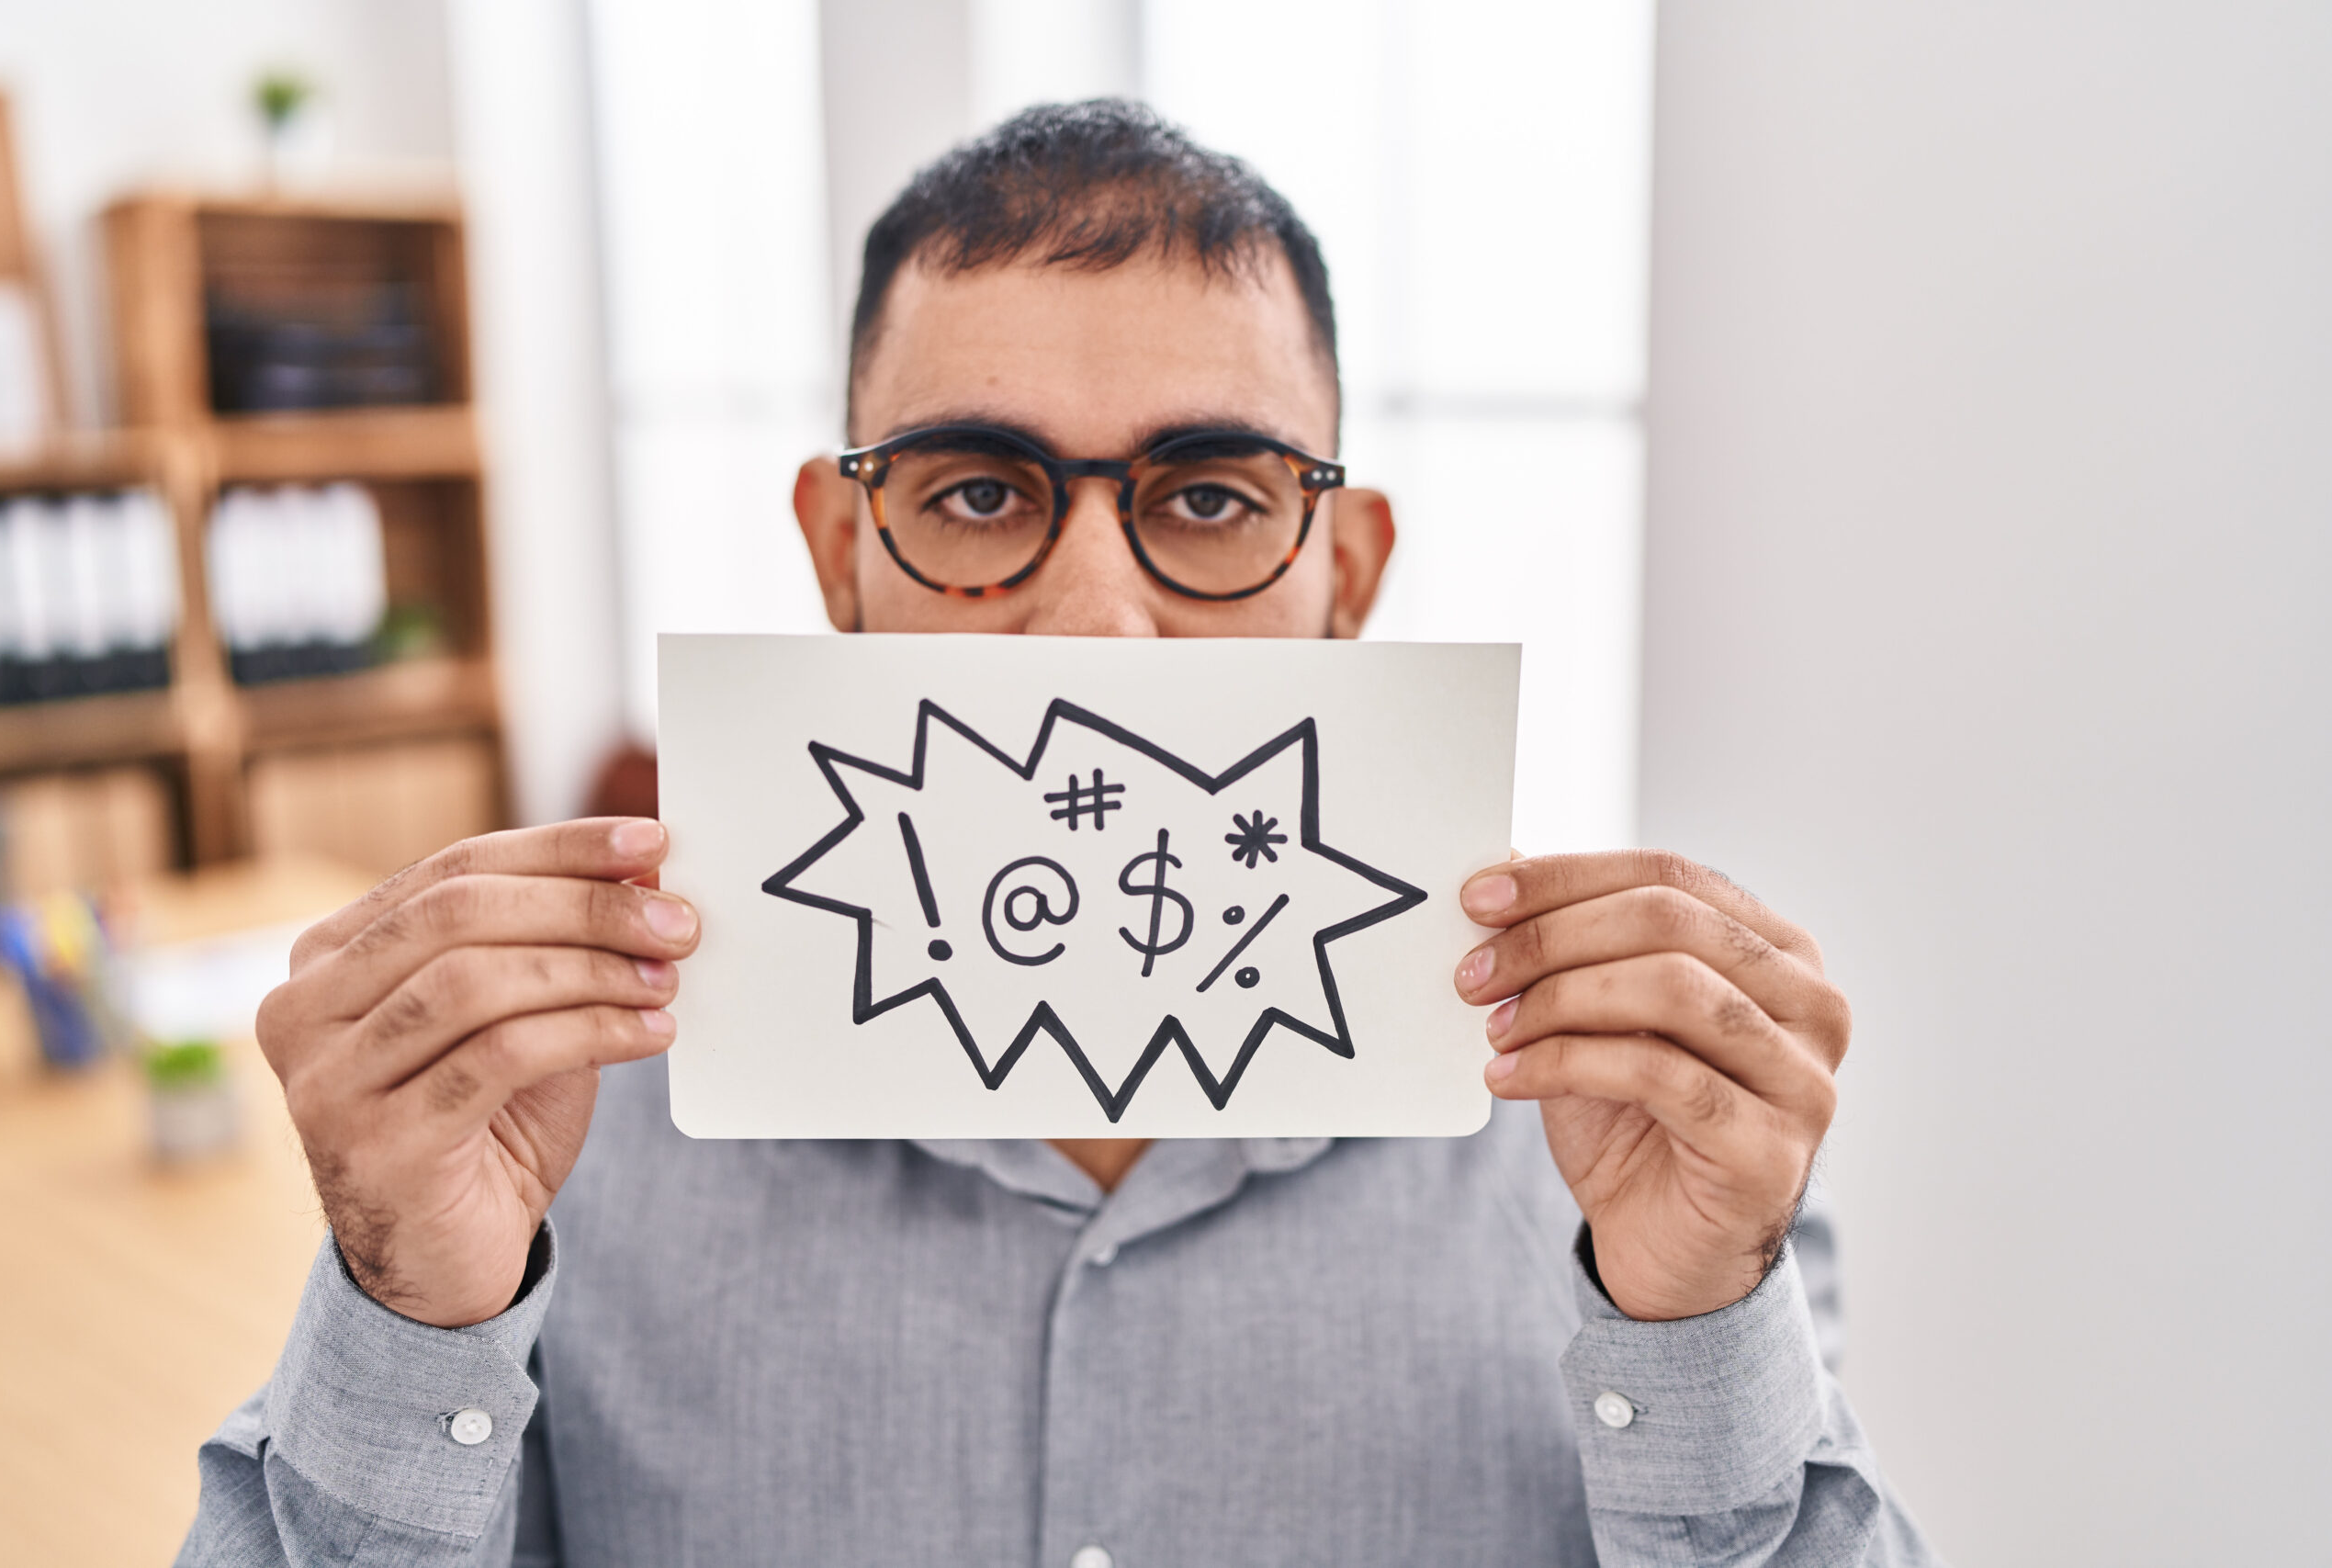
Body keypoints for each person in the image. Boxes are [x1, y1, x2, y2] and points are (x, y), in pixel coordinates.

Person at [179, 102, 1936, 1565]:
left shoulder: (1621, 1143)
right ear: (835, 553)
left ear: (1348, 572)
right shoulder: (567, 1120)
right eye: (974, 490)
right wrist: (408, 1311)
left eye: (1212, 497)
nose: (1099, 623)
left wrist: (1694, 1329)